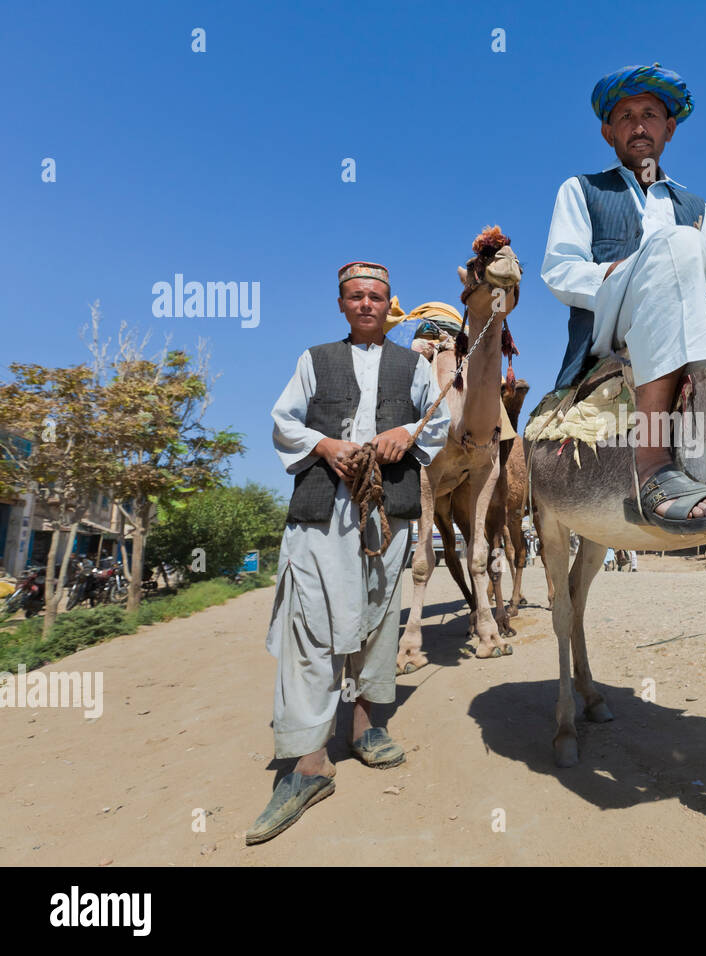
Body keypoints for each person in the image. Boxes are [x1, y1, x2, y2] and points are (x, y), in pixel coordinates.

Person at [246, 261, 449, 845]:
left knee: (381, 621)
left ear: (391, 306)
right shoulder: (315, 360)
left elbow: (438, 424)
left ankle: (365, 728)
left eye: (377, 297)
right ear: (341, 304)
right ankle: (307, 763)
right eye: (356, 296)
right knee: (309, 626)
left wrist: (408, 433)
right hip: (320, 513)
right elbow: (283, 421)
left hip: (387, 512)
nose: (366, 304)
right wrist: (327, 444)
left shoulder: (413, 366)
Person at [541, 63, 706, 535]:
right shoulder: (582, 190)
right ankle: (652, 463)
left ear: (669, 129)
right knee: (680, 245)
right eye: (625, 117)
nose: (638, 126)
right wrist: (638, 271)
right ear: (608, 133)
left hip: (692, 316)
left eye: (649, 115)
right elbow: (560, 270)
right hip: (610, 318)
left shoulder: (695, 206)